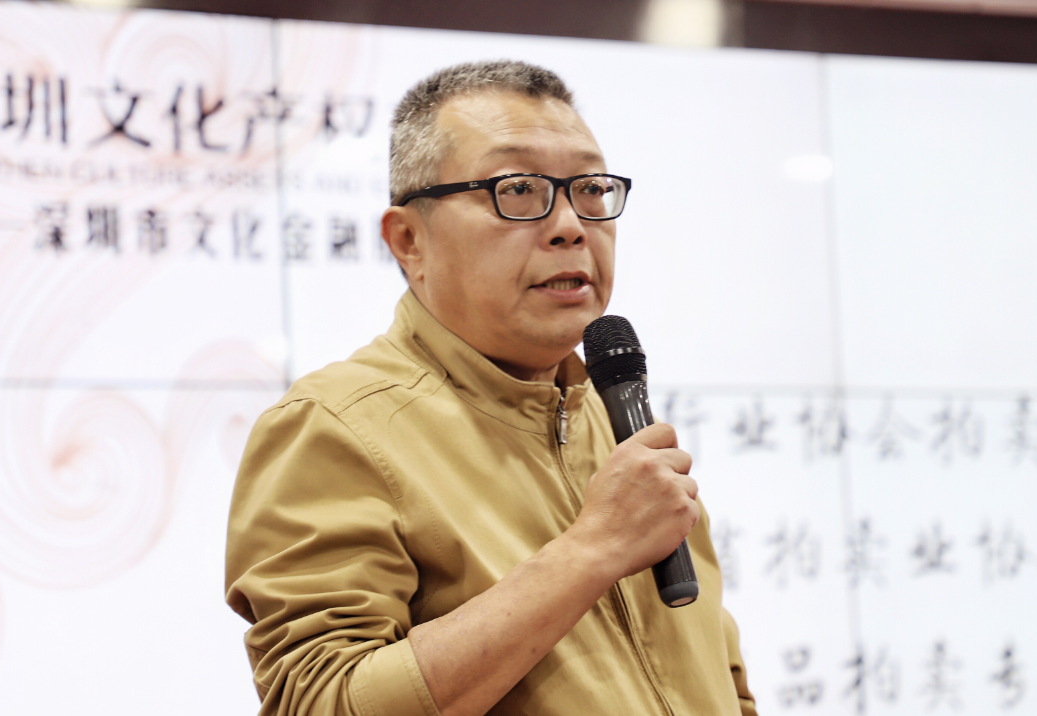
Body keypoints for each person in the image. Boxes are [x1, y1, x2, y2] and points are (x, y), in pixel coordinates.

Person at [226, 60, 757, 716]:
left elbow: (722, 682)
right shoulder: (336, 425)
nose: (570, 225)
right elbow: (320, 702)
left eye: (590, 189)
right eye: (518, 189)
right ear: (408, 240)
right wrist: (592, 550)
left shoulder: (617, 421)